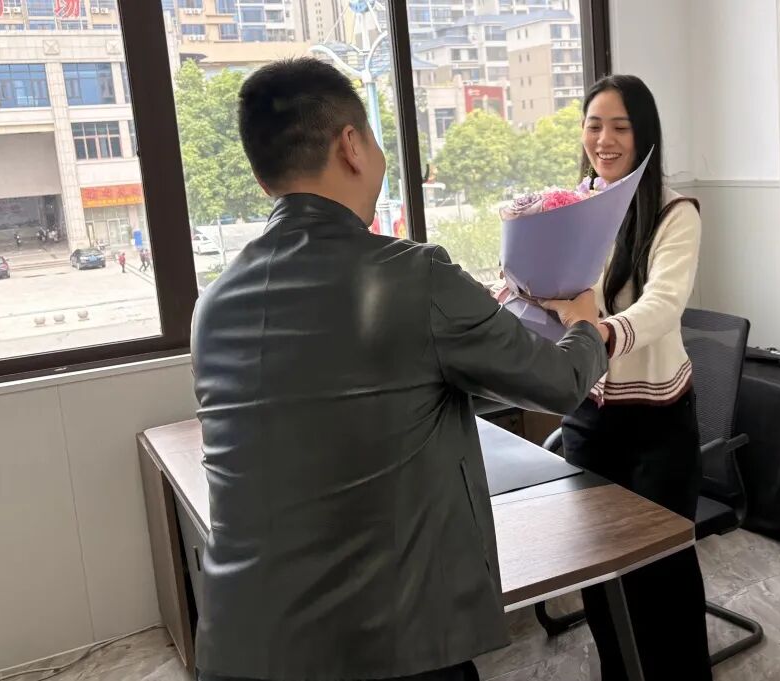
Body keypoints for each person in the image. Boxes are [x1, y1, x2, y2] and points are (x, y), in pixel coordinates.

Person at [190, 57, 611, 681]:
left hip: (242, 647)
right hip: (387, 645)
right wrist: (586, 324)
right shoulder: (415, 276)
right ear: (351, 146)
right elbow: (560, 381)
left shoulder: (213, 305)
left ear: (262, 178)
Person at [542, 74, 712, 681]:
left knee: (660, 574)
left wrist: (600, 333)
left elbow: (663, 304)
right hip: (588, 417)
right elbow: (558, 292)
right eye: (594, 125)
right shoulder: (572, 208)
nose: (604, 140)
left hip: (657, 422)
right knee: (601, 572)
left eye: (620, 126)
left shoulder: (674, 211)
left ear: (644, 135)